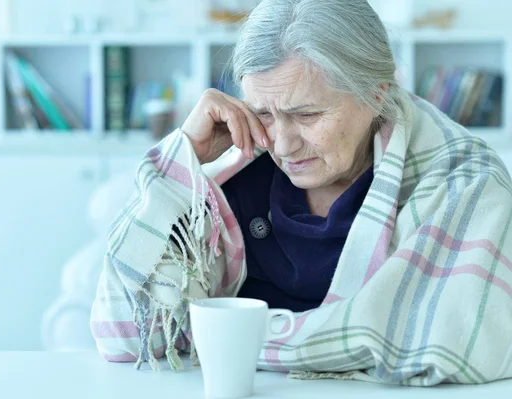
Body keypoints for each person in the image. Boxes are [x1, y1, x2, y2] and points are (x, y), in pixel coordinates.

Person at [90, 0, 512, 386]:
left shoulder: (466, 184)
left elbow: (468, 348)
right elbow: (126, 336)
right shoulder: (228, 174)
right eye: (262, 113)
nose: (283, 144)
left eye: (307, 114)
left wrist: (239, 339)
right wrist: (179, 161)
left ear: (376, 92)